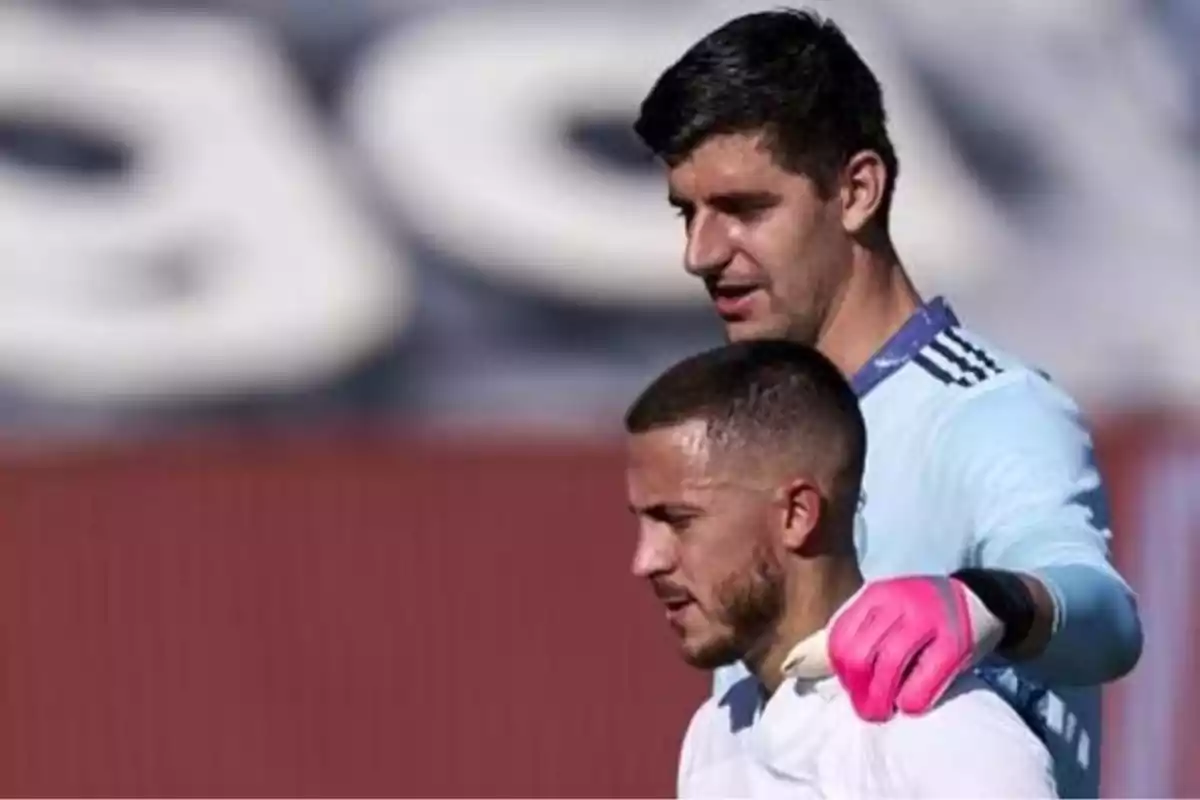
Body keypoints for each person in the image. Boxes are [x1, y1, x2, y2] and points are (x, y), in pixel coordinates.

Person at [631, 8, 1142, 797]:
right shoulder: (752, 427)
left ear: (858, 191)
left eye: (743, 209)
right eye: (687, 213)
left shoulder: (991, 412)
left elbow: (1107, 619)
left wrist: (986, 603)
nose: (700, 253)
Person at [625, 340, 1057, 797]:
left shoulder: (946, 737)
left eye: (677, 520)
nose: (645, 560)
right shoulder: (713, 736)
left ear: (797, 515)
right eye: (642, 521)